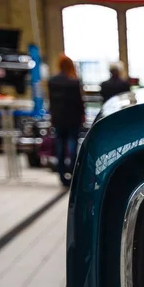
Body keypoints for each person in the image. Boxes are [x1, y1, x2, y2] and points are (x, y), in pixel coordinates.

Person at [48, 54, 85, 187]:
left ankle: (62, 175)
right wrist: (83, 115)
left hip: (58, 118)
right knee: (73, 146)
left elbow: (51, 102)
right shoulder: (74, 82)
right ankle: (73, 173)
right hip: (73, 118)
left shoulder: (52, 81)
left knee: (60, 146)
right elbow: (79, 102)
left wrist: (52, 117)